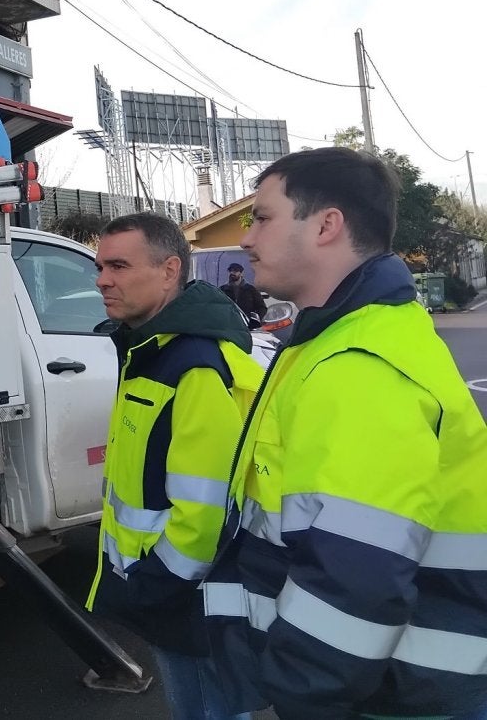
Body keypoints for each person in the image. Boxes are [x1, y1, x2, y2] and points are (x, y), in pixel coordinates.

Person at [202, 147, 487, 720]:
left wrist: (296, 696)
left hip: (389, 694)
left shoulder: (360, 361)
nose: (247, 239)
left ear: (326, 225)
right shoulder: (338, 337)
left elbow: (358, 573)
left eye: (262, 217)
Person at [87, 212, 264, 720]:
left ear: (169, 271)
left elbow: (205, 512)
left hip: (189, 602)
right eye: (100, 266)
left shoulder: (195, 365)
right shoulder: (150, 352)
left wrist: (154, 586)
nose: (102, 279)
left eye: (118, 265)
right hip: (173, 598)